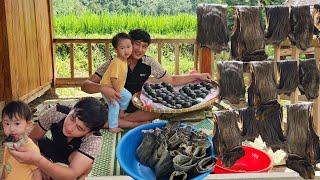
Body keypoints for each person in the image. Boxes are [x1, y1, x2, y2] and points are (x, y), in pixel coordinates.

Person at [81, 29, 211, 128]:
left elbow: (171, 80)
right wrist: (104, 88)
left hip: (136, 106)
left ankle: (120, 120)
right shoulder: (113, 63)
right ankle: (131, 124)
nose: (140, 49)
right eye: (136, 44)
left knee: (156, 111)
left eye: (144, 46)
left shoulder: (149, 62)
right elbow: (85, 86)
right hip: (113, 103)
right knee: (92, 115)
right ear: (129, 44)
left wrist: (196, 76)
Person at [8, 97, 108, 180]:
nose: (70, 128)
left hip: (69, 161)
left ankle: (82, 176)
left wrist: (39, 162)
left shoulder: (94, 140)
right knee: (24, 143)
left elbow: (71, 173)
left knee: (86, 166)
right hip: (53, 148)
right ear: (72, 108)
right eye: (72, 118)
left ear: (89, 133)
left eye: (79, 128)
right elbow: (33, 138)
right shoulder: (56, 112)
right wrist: (42, 162)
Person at [101, 32, 133, 133]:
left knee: (128, 96)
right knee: (114, 105)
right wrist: (116, 90)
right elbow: (113, 78)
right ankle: (113, 126)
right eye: (122, 48)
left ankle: (121, 113)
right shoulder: (116, 62)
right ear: (116, 50)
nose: (126, 50)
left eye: (128, 47)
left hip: (117, 88)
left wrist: (119, 90)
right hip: (108, 88)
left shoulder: (124, 61)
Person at [1, 101, 41, 180]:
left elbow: (37, 173)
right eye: (7, 124)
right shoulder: (8, 144)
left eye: (17, 124)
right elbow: (5, 165)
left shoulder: (31, 149)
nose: (11, 129)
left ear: (28, 125)